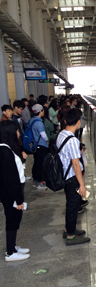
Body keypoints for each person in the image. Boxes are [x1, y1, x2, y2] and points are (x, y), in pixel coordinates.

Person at [57, 108, 90, 245]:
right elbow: (76, 164)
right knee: (73, 205)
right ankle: (70, 236)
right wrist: (81, 184)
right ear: (78, 123)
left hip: (65, 175)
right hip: (72, 178)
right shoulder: (72, 140)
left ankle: (68, 229)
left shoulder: (61, 134)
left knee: (71, 203)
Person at [0, 121, 30, 261]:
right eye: (17, 130)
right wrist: (18, 200)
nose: (19, 133)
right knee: (12, 219)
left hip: (11, 191)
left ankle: (12, 246)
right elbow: (11, 179)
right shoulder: (5, 152)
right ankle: (10, 252)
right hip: (10, 193)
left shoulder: (7, 148)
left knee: (15, 218)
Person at [28, 104, 49, 188]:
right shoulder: (39, 122)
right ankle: (40, 181)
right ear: (40, 111)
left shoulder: (32, 120)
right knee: (41, 163)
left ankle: (35, 180)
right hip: (41, 145)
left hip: (35, 144)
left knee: (36, 162)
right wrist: (47, 141)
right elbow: (43, 134)